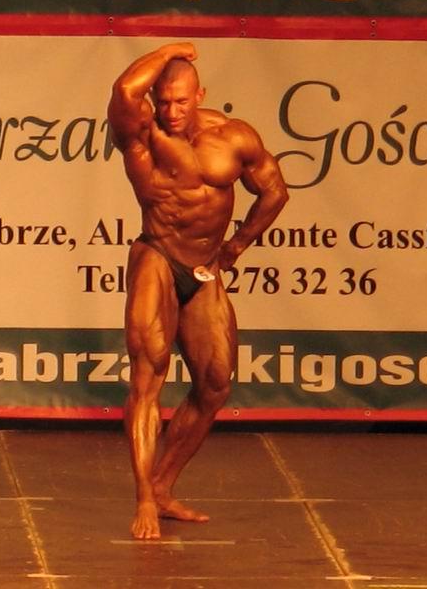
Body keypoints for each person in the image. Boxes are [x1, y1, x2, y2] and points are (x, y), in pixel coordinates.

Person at [108, 42, 289, 540]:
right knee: (149, 376)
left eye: (181, 102)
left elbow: (275, 191)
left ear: (201, 95)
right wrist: (169, 50)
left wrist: (235, 247)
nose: (171, 111)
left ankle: (164, 486)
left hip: (205, 268)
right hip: (157, 257)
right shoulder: (141, 136)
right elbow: (125, 90)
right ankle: (144, 498)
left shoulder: (232, 137)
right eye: (164, 101)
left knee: (214, 383)